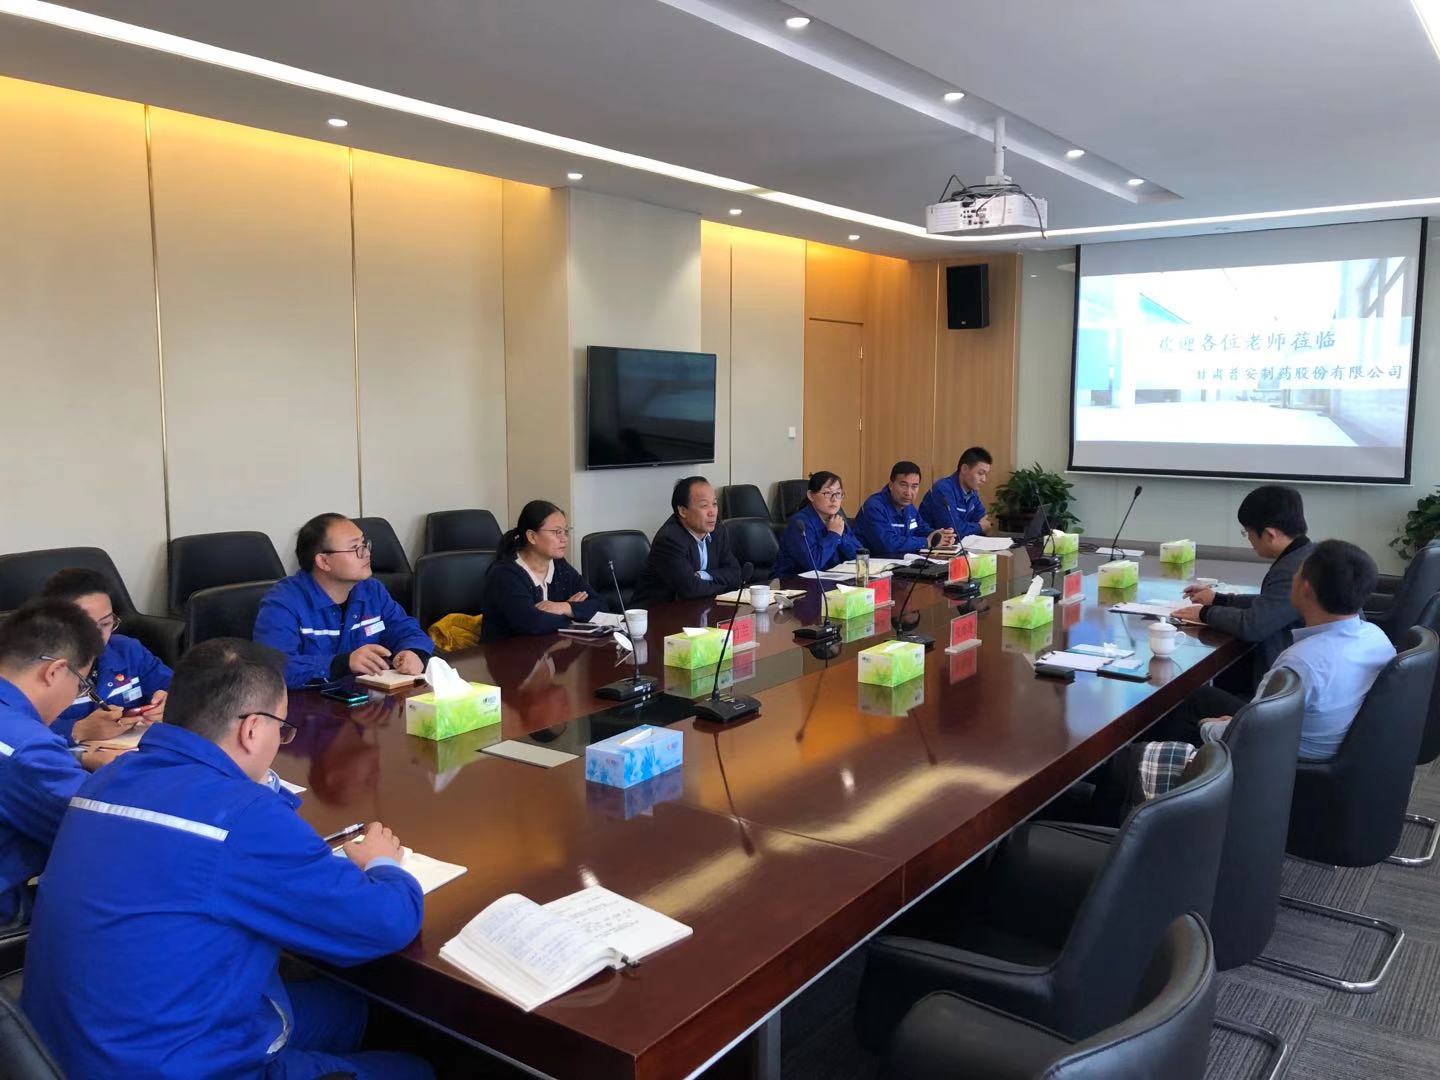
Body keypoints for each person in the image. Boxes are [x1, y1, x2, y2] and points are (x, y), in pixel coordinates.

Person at [21, 638, 431, 1080]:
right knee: (415, 1069)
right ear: (252, 730)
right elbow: (386, 922)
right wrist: (382, 863)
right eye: (282, 728)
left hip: (62, 1047)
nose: (280, 740)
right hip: (171, 1065)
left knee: (348, 1009)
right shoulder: (242, 819)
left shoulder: (110, 776)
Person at [1098, 540, 1395, 815]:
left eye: (1297, 573)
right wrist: (1241, 719)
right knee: (1191, 697)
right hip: (1330, 747)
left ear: (1305, 588)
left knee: (1144, 747)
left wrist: (1212, 727)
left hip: (1288, 765)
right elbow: (1264, 718)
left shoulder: (1302, 661)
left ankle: (1134, 801)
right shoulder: (1375, 637)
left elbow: (1254, 738)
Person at [0, 600, 125, 926]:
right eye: (81, 684)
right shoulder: (27, 747)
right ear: (55, 671)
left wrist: (77, 756)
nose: (75, 695)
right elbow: (102, 831)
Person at [255, 514, 434, 688]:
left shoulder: (372, 590)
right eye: (354, 548)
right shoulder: (283, 602)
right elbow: (272, 667)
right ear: (324, 561)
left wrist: (414, 652)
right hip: (305, 704)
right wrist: (341, 663)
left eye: (364, 544)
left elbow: (406, 629)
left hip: (365, 700)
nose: (366, 553)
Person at [1171, 484, 1314, 687]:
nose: (1249, 540)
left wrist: (1204, 613)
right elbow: (1271, 603)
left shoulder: (1292, 570)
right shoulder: (1306, 553)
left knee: (1192, 690)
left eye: (1247, 532)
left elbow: (1253, 625)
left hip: (1283, 682)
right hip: (1289, 666)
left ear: (1270, 534)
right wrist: (1219, 599)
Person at [41, 567, 172, 741]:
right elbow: (14, 730)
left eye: (105, 623)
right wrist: (76, 730)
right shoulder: (31, 667)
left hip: (132, 751)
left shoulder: (127, 651)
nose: (98, 636)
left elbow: (179, 690)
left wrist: (169, 705)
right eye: (86, 626)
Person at [480, 500, 603, 641]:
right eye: (557, 532)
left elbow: (600, 605)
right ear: (532, 536)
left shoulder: (559, 566)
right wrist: (576, 613)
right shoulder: (504, 574)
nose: (564, 539)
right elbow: (532, 623)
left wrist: (565, 607)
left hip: (550, 649)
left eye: (565, 531)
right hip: (506, 652)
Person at [632, 476, 745, 605]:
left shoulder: (717, 530)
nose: (712, 512)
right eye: (704, 505)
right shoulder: (669, 540)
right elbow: (691, 590)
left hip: (700, 608)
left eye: (714, 504)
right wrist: (725, 585)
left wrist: (703, 575)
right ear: (683, 511)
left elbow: (736, 574)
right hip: (658, 612)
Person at [855, 461, 955, 557]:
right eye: (903, 485)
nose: (908, 492)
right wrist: (926, 542)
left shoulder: (909, 507)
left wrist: (940, 536)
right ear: (891, 485)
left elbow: (920, 529)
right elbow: (887, 544)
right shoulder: (874, 507)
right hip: (869, 563)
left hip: (899, 561)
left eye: (914, 486)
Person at [773, 471, 864, 577]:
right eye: (828, 493)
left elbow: (859, 556)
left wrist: (840, 535)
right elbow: (813, 564)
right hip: (794, 582)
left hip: (830, 579)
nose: (834, 499)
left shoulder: (837, 519)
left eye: (838, 493)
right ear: (811, 496)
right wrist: (834, 535)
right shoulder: (799, 523)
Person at [919, 447, 994, 540]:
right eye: (980, 473)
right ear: (964, 469)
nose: (984, 479)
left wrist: (976, 526)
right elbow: (952, 530)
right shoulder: (943, 489)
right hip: (931, 546)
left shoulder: (972, 493)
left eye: (986, 474)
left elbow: (983, 521)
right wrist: (979, 527)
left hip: (957, 545)